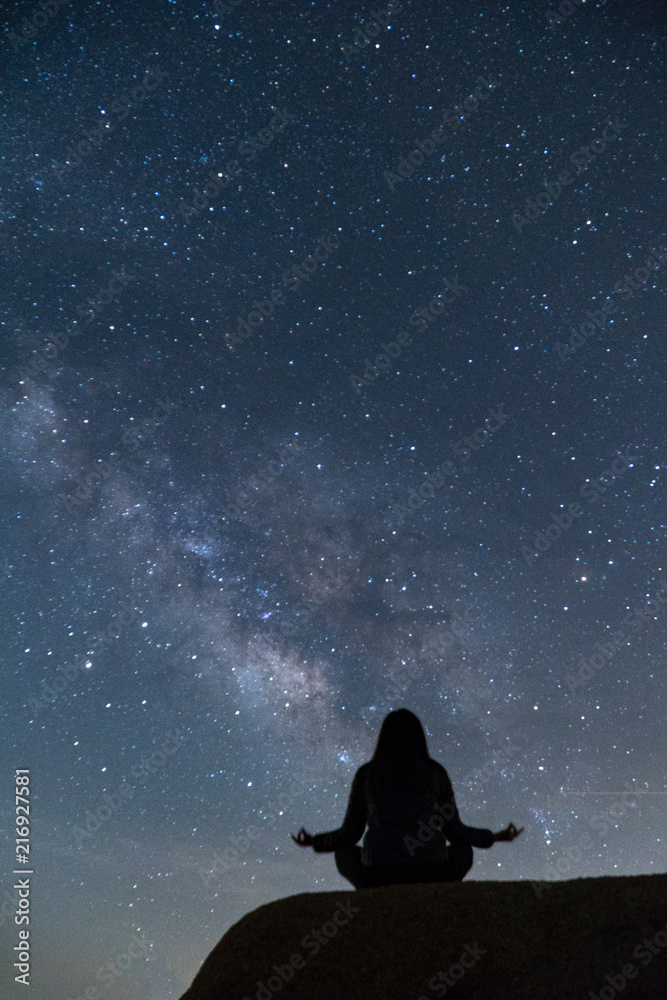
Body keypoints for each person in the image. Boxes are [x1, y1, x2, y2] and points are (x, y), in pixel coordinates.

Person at [292, 708, 523, 889]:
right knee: (463, 850)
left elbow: (350, 834)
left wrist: (315, 841)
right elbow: (455, 832)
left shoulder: (367, 774)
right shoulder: (436, 772)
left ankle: (371, 893)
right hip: (432, 872)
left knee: (344, 852)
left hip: (379, 874)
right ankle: (437, 891)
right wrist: (495, 837)